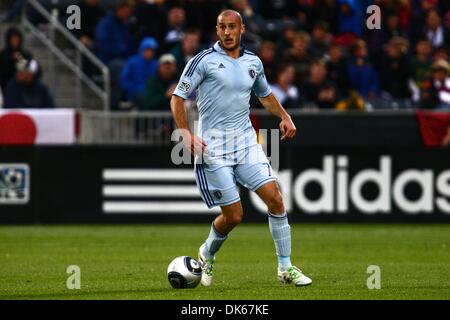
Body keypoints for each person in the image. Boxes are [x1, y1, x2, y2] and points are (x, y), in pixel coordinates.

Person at [170, 10, 312, 287]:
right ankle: (207, 252)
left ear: (242, 29)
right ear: (217, 29)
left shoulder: (253, 62)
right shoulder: (203, 61)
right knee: (234, 216)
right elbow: (177, 98)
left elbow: (265, 95)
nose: (227, 32)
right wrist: (185, 133)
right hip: (213, 149)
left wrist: (284, 116)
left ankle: (285, 268)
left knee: (276, 199)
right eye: (222, 27)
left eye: (232, 26)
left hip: (246, 143)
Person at [119, 37, 159, 107]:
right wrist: (135, 88)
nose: (149, 53)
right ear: (142, 49)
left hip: (151, 93)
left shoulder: (156, 64)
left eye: (152, 50)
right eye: (147, 50)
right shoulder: (132, 62)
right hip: (134, 94)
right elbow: (124, 80)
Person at [0, 27, 33, 91]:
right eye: (12, 39)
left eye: (16, 38)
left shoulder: (26, 55)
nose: (15, 41)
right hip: (7, 87)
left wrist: (20, 60)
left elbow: (30, 69)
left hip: (23, 88)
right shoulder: (3, 55)